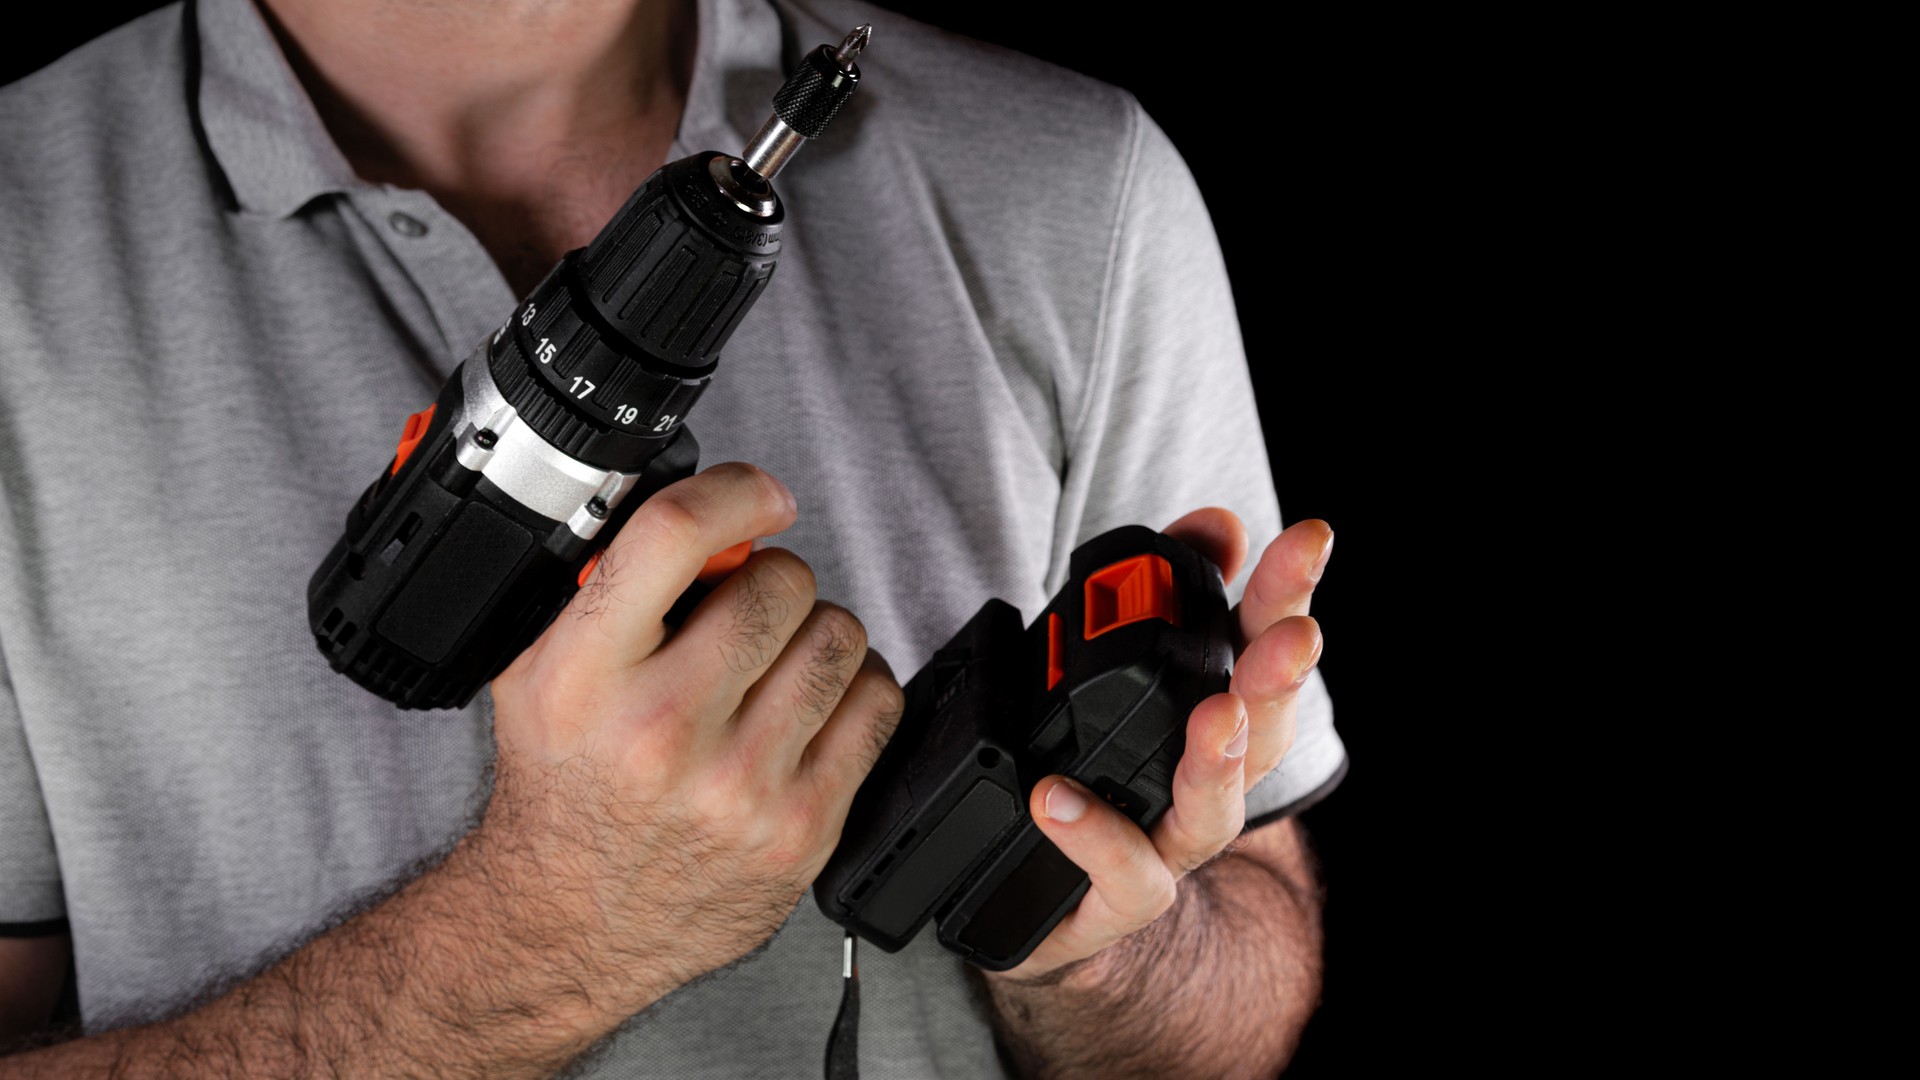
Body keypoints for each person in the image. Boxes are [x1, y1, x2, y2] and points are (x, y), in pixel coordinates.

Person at [0, 0, 1348, 1074]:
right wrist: (544, 933)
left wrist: (1095, 956)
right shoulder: (22, 242)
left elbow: (1244, 981)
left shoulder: (1077, 186)